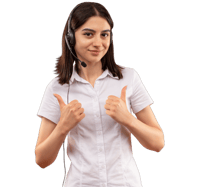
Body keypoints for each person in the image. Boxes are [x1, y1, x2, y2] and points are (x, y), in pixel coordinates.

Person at [35, 2, 164, 187]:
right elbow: (41, 160)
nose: (98, 43)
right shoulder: (57, 88)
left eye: (104, 35)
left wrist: (128, 119)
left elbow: (158, 143)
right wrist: (62, 127)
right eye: (88, 34)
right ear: (71, 38)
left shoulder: (129, 78)